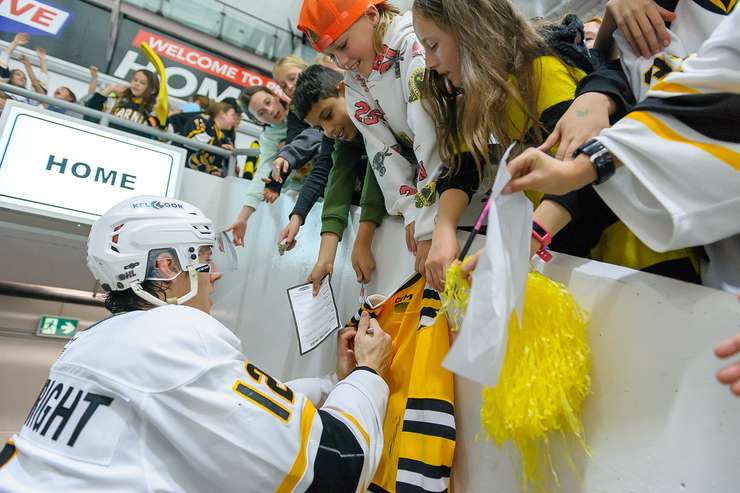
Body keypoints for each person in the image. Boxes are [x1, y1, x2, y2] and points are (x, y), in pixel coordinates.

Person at [0, 195, 392, 492]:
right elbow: (338, 465)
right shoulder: (174, 335)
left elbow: (218, 411)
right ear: (168, 266)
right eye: (205, 258)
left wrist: (330, 384)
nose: (215, 274)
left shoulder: (92, 343)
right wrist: (367, 372)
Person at [502, 7, 739, 293]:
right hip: (715, 267)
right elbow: (659, 102)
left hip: (653, 255)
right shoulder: (640, 28)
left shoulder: (543, 70)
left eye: (434, 45)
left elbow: (702, 102)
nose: (435, 60)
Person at [298, 0, 465, 283]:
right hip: (431, 196)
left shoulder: (411, 43)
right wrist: (411, 209)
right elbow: (381, 152)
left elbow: (429, 134)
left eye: (342, 46)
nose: (341, 62)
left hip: (460, 179)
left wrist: (425, 224)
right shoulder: (354, 80)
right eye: (332, 55)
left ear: (372, 15)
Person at [288, 64, 388, 293]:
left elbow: (379, 169)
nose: (329, 130)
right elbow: (338, 182)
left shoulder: (377, 109)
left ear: (344, 90)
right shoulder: (341, 135)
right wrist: (325, 258)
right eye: (319, 126)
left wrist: (363, 240)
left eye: (328, 115)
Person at [229, 85, 291, 245]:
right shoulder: (269, 138)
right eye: (261, 113)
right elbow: (264, 171)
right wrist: (243, 218)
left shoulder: (303, 110)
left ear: (276, 96)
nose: (270, 110)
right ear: (258, 120)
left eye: (268, 102)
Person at [85, 69, 167, 136]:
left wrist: (160, 109)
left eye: (142, 83)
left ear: (153, 90)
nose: (137, 84)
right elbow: (90, 110)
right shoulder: (117, 101)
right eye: (135, 80)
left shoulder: (153, 111)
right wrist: (110, 89)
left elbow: (163, 135)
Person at [181, 101, 238, 177]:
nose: (234, 120)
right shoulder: (202, 119)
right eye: (232, 116)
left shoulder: (222, 137)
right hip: (180, 169)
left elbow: (210, 163)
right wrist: (220, 148)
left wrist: (213, 170)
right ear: (222, 114)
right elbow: (196, 139)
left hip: (196, 177)